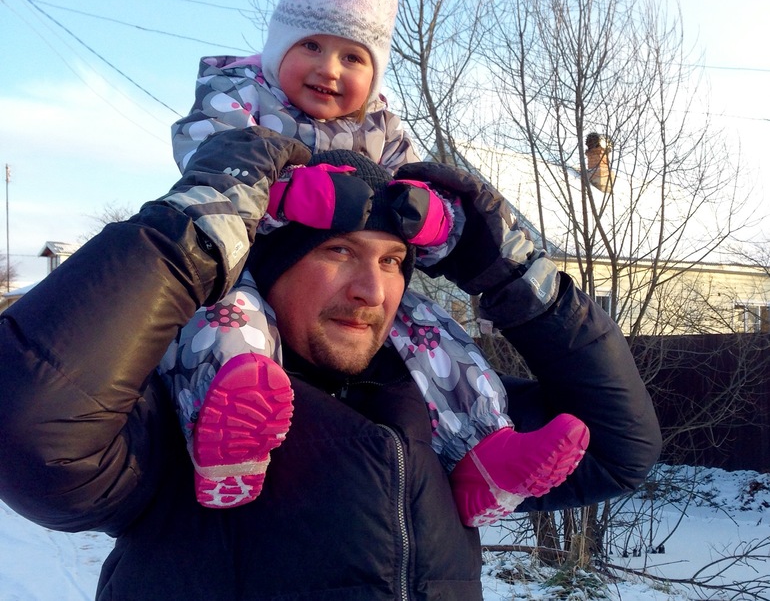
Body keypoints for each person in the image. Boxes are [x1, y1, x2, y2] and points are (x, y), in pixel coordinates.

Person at [0, 133, 661, 600]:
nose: (372, 291)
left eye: (392, 261)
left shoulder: (439, 411)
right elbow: (32, 434)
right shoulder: (177, 409)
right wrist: (195, 226)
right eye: (339, 251)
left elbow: (618, 448)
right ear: (270, 263)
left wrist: (517, 274)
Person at [163, 0, 586, 525]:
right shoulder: (240, 94)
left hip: (347, 271)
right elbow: (206, 162)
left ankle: (483, 454)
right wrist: (282, 191)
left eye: (353, 56)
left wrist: (432, 219)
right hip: (247, 262)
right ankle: (229, 440)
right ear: (279, 46)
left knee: (433, 333)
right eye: (311, 46)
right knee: (225, 322)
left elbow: (413, 192)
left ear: (375, 70)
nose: (329, 69)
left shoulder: (381, 128)